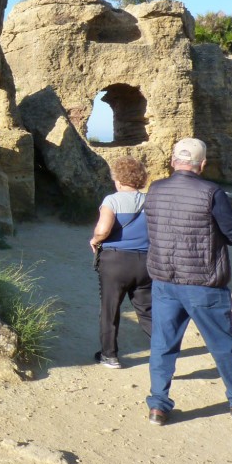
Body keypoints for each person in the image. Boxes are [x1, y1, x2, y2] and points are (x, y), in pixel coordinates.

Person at [144, 138, 232, 425]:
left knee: (163, 344)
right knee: (222, 343)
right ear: (202, 164)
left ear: (173, 161)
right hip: (203, 281)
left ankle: (158, 406)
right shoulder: (211, 191)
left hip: (164, 278)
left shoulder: (155, 189)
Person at [89, 156, 152, 369]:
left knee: (110, 309)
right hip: (145, 261)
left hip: (116, 261)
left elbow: (103, 229)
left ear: (118, 179)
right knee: (147, 310)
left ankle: (110, 355)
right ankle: (163, 350)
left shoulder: (112, 200)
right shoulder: (150, 200)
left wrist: (95, 240)